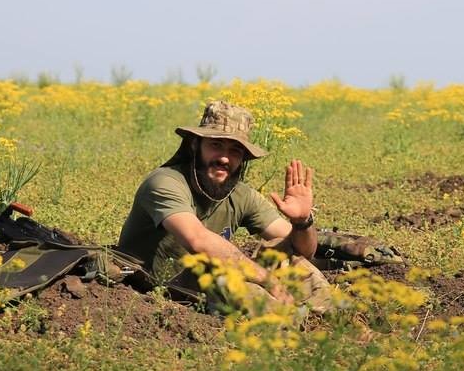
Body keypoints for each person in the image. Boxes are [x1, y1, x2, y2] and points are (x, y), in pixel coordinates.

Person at [117, 100, 333, 312]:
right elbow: (198, 241)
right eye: (216, 145)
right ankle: (290, 326)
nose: (224, 158)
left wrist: (302, 222)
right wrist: (267, 281)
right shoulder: (166, 182)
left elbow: (303, 251)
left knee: (284, 253)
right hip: (158, 288)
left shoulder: (241, 195)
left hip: (205, 285)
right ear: (195, 145)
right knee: (227, 274)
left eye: (235, 151)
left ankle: (331, 316)